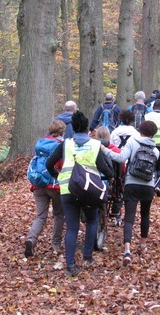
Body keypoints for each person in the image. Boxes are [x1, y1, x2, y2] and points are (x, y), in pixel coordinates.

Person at [46, 111, 114, 277]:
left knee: (72, 227)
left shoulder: (65, 144)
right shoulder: (95, 145)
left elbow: (49, 164)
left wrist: (58, 175)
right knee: (91, 220)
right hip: (89, 189)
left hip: (68, 189)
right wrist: (110, 176)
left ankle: (70, 265)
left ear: (72, 128)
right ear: (86, 128)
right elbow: (106, 169)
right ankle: (87, 257)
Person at [101, 120, 159, 266]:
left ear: (140, 131)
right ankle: (143, 244)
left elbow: (120, 158)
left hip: (132, 184)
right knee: (145, 214)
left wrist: (104, 149)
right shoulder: (156, 150)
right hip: (148, 185)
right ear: (153, 134)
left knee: (129, 217)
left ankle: (127, 249)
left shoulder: (132, 143)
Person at [24, 120, 66, 258]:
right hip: (55, 185)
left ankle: (31, 239)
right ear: (62, 132)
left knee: (41, 215)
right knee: (58, 214)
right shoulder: (61, 145)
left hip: (38, 183)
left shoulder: (40, 143)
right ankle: (56, 244)